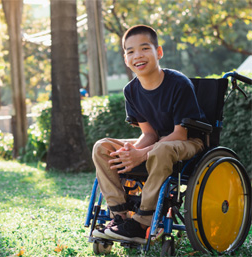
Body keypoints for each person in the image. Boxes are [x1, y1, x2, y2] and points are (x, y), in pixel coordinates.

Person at [92, 25, 206, 244]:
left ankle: (143, 221)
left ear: (159, 52)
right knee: (102, 147)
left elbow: (180, 135)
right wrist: (132, 150)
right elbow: (149, 133)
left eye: (144, 48)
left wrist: (141, 155)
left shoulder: (179, 84)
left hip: (188, 142)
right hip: (159, 145)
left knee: (161, 149)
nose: (138, 56)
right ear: (126, 59)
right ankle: (120, 216)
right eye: (131, 51)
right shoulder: (131, 90)